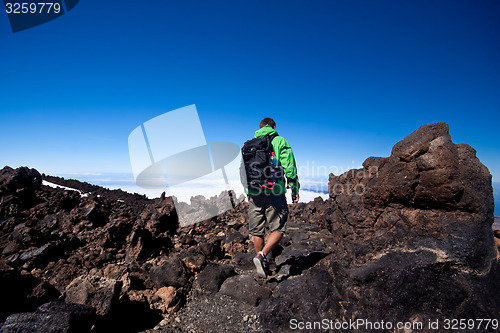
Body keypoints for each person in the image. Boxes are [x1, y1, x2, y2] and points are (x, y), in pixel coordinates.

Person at [247, 117, 300, 278]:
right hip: (274, 191)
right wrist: (294, 188)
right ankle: (262, 256)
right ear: (274, 126)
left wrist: (248, 192)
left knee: (257, 230)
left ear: (260, 127)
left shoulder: (250, 145)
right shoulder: (280, 141)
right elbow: (289, 167)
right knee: (278, 228)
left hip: (255, 192)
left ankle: (262, 263)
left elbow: (243, 171)